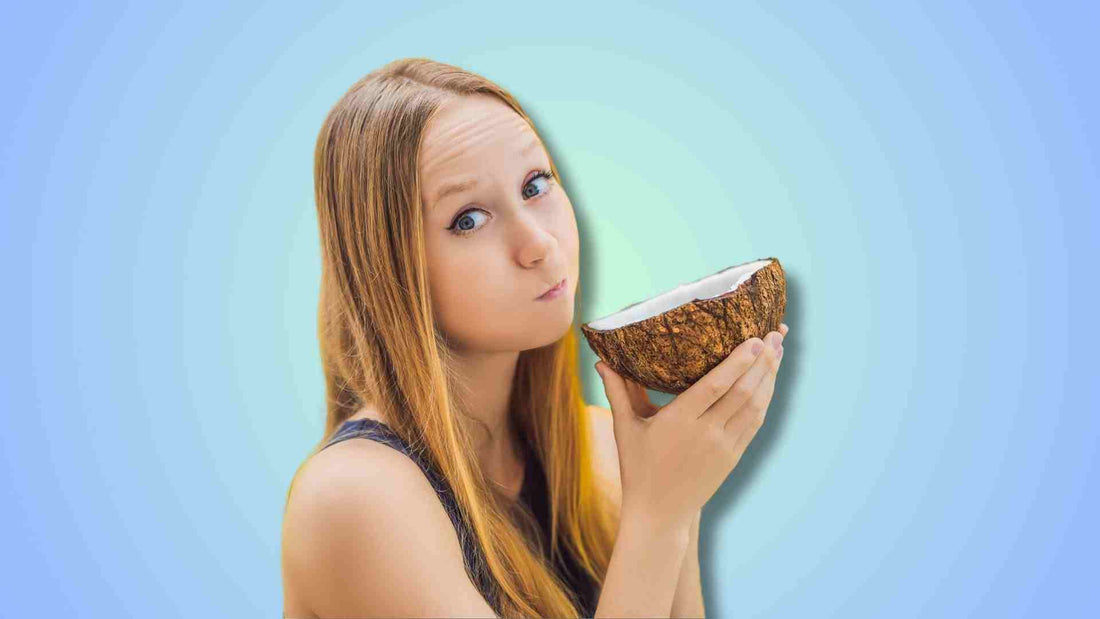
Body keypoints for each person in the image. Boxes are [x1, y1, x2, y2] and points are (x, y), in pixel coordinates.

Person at [280, 57, 788, 618]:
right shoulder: (355, 500)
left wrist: (678, 503)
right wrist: (659, 516)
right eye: (469, 219)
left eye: (535, 184)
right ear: (389, 272)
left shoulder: (606, 456)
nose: (538, 243)